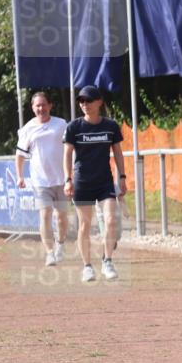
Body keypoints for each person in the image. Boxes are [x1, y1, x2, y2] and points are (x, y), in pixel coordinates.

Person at [63, 86, 125, 282]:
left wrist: (122, 177)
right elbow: (67, 154)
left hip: (104, 181)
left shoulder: (110, 126)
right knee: (85, 225)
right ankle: (87, 267)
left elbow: (117, 152)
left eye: (89, 100)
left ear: (99, 102)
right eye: (81, 101)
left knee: (111, 220)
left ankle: (107, 261)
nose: (85, 104)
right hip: (82, 182)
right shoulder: (74, 127)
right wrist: (68, 179)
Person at [16, 92, 69, 267]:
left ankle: (60, 244)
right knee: (45, 214)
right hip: (40, 181)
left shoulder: (61, 124)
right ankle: (49, 252)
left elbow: (70, 148)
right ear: (32, 108)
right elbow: (20, 155)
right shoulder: (28, 129)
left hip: (61, 179)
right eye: (37, 105)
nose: (41, 108)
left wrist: (71, 175)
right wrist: (20, 176)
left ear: (50, 105)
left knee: (61, 217)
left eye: (43, 104)